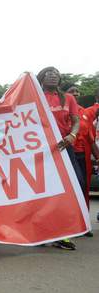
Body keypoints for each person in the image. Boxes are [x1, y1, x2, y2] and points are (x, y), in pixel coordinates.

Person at [37, 66, 83, 250]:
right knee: (44, 190)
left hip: (64, 148)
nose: (53, 76)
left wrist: (72, 135)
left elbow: (76, 121)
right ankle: (41, 231)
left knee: (73, 185)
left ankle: (62, 233)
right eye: (49, 74)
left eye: (56, 74)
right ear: (41, 78)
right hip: (42, 150)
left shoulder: (68, 98)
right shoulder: (35, 96)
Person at [71, 87, 99, 237]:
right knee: (76, 187)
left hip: (83, 156)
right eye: (71, 91)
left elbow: (91, 138)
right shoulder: (56, 112)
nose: (75, 94)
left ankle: (83, 224)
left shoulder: (84, 112)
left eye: (77, 92)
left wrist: (97, 157)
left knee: (83, 189)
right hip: (67, 156)